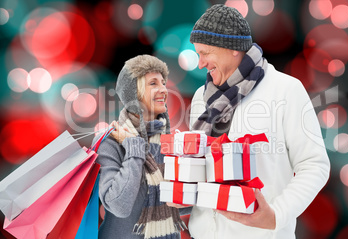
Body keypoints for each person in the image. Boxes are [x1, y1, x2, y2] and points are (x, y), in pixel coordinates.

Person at [187, 4, 330, 239]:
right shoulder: (201, 98)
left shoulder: (285, 90)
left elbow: (314, 165)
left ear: (232, 48)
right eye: (197, 54)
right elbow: (200, 171)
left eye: (206, 53)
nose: (200, 63)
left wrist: (276, 215)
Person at [94, 55, 186, 239]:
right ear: (133, 93)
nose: (163, 90)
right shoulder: (110, 141)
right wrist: (134, 147)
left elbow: (182, 203)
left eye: (163, 82)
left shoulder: (170, 141)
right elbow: (119, 206)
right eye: (153, 83)